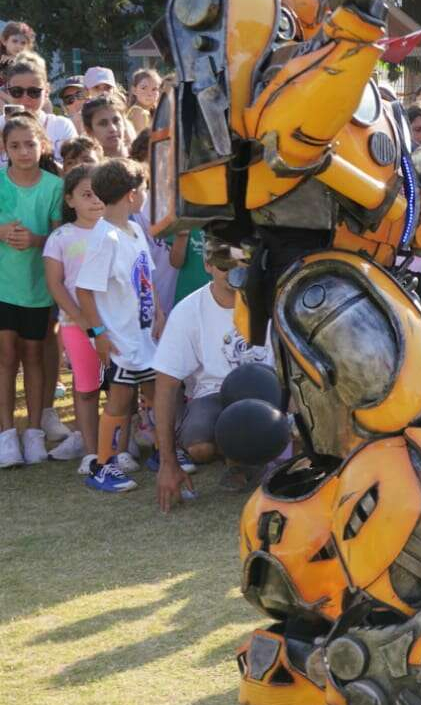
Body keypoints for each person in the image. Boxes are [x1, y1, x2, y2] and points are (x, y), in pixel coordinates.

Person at [150, 239, 277, 505]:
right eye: (223, 264)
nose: (233, 271)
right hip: (214, 395)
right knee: (198, 447)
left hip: (269, 391)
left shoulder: (273, 300)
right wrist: (168, 462)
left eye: (241, 261)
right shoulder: (188, 310)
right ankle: (242, 458)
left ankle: (257, 457)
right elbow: (165, 382)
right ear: (207, 265)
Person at [75, 159, 161, 494]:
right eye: (141, 189)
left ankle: (162, 452)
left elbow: (146, 277)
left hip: (144, 335)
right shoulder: (104, 238)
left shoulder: (135, 229)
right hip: (122, 339)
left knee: (157, 393)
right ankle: (103, 465)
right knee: (120, 401)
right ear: (130, 194)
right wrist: (98, 334)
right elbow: (84, 290)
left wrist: (160, 313)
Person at [0, 112, 63, 468]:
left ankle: (35, 431)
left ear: (43, 145)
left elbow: (60, 237)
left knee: (34, 354)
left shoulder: (54, 187)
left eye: (29, 144)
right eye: (15, 145)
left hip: (38, 287)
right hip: (3, 285)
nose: (23, 151)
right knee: (6, 356)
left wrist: (37, 239)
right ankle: (7, 434)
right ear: (5, 148)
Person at [41, 164, 102, 471]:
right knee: (87, 388)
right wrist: (80, 317)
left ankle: (119, 446)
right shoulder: (60, 237)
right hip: (75, 326)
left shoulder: (117, 232)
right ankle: (91, 452)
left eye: (100, 193)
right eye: (86, 194)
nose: (95, 200)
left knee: (121, 386)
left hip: (115, 325)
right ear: (70, 200)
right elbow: (55, 283)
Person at [3, 54, 76, 156]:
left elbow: (73, 169)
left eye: (34, 92)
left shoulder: (61, 126)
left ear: (46, 91)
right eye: (17, 91)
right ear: (7, 91)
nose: (25, 98)